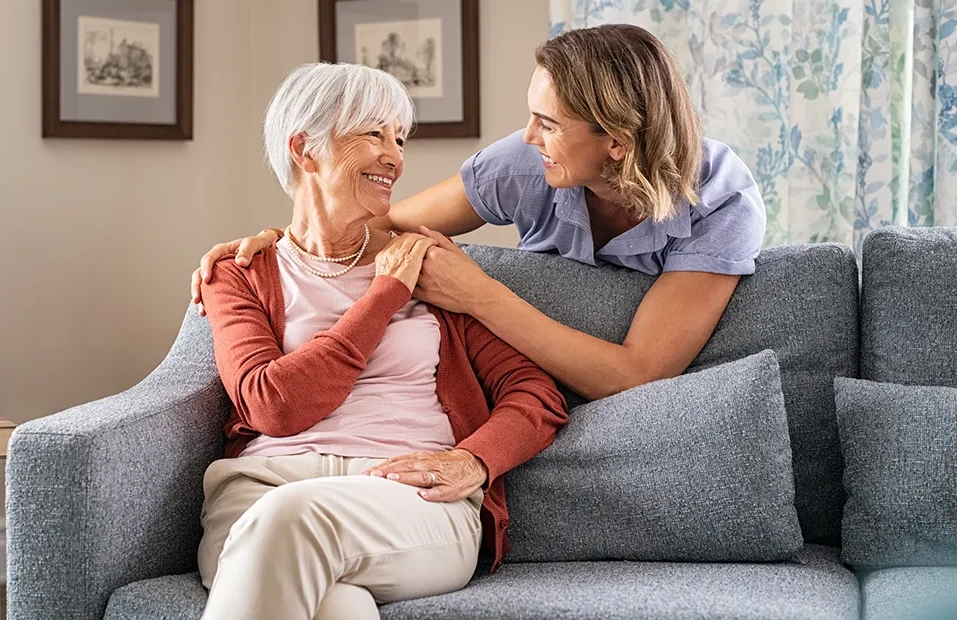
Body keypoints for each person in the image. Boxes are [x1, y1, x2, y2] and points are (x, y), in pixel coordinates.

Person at [194, 24, 765, 420]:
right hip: (523, 383)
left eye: (548, 123)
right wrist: (282, 242)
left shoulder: (721, 199)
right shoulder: (525, 163)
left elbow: (640, 374)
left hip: (627, 404)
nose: (527, 137)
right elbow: (382, 226)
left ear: (616, 142)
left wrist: (480, 296)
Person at [197, 62, 568, 620]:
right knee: (338, 607)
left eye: (399, 138)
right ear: (305, 148)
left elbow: (535, 394)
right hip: (262, 488)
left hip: (406, 496)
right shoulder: (242, 271)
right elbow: (273, 406)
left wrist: (473, 460)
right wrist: (384, 296)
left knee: (291, 521)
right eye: (373, 133)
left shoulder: (431, 265)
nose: (395, 156)